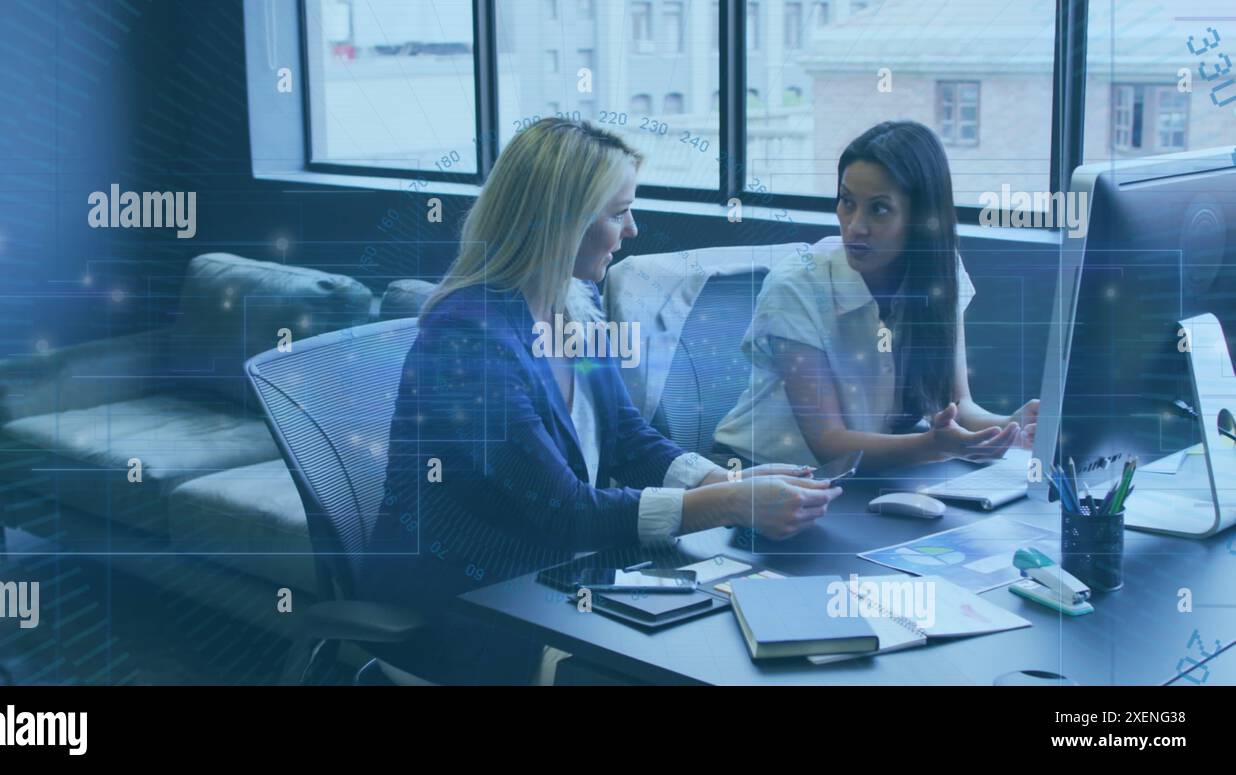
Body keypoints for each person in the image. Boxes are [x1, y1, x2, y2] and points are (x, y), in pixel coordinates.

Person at [365, 118, 840, 684]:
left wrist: (731, 484)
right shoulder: (468, 341)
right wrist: (735, 503)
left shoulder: (572, 307)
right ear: (558, 224)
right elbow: (563, 510)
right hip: (478, 606)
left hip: (564, 582)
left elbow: (624, 434)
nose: (632, 230)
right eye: (618, 213)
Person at [714, 121, 1039, 471]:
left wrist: (1010, 426)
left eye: (878, 209)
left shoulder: (939, 274)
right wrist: (934, 446)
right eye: (847, 202)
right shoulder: (796, 287)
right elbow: (829, 443)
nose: (855, 226)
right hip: (758, 474)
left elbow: (957, 404)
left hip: (857, 478)